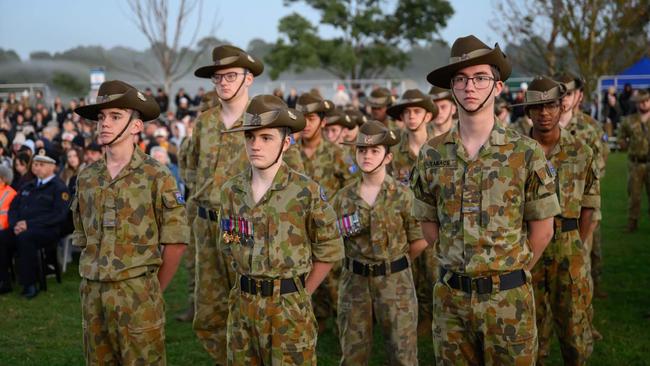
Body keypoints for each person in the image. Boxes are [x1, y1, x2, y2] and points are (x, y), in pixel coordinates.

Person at [411, 35, 560, 365]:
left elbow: (543, 231)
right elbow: (428, 223)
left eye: (480, 78)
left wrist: (504, 275)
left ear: (497, 86)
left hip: (507, 301)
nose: (470, 87)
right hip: (451, 302)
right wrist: (459, 264)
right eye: (461, 79)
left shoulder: (525, 152)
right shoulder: (432, 153)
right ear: (451, 87)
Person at [219, 94, 344, 365]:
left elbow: (330, 249)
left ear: (286, 143)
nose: (255, 145)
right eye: (250, 137)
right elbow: (229, 241)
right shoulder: (231, 191)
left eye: (266, 138)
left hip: (288, 307)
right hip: (243, 305)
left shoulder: (305, 191)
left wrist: (302, 292)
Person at [72, 80, 189, 365]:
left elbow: (175, 241)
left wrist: (153, 291)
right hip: (94, 297)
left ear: (136, 126)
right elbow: (82, 237)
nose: (104, 124)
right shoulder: (87, 178)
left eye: (115, 116)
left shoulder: (156, 175)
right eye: (101, 117)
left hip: (138, 296)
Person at [514, 76, 600, 365]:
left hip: (568, 246)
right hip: (528, 245)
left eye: (550, 105)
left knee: (574, 328)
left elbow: (589, 208)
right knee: (529, 328)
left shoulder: (582, 151)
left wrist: (577, 244)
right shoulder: (514, 154)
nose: (544, 113)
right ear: (528, 111)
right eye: (537, 107)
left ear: (561, 107)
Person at [188, 45, 263, 365]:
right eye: (218, 77)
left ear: (248, 79)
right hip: (206, 225)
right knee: (207, 315)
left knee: (251, 306)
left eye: (231, 76)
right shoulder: (203, 122)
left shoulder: (263, 123)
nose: (223, 83)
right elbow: (191, 167)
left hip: (243, 226)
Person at [332, 120, 426, 365]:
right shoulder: (342, 199)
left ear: (387, 157)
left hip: (395, 282)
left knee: (402, 353)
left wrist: (395, 264)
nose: (367, 156)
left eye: (375, 151)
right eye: (362, 150)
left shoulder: (404, 196)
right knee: (353, 354)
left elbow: (419, 240)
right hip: (355, 283)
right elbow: (331, 241)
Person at [296, 91, 354, 333]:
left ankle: (347, 331)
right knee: (303, 282)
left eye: (312, 118)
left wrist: (345, 226)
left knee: (335, 283)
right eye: (302, 118)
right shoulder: (288, 153)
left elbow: (353, 190)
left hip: (329, 230)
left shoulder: (336, 153)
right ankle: (314, 323)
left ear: (323, 121)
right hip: (297, 231)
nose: (307, 124)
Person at [7, 149, 70, 299]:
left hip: (47, 230)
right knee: (3, 237)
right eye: (35, 164)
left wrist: (28, 224)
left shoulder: (59, 187)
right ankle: (4, 281)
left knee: (26, 238)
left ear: (52, 167)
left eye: (41, 164)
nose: (36, 167)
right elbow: (13, 207)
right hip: (23, 227)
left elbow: (58, 215)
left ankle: (30, 284)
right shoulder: (28, 185)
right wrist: (15, 224)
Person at [617, 89, 650, 232]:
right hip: (636, 163)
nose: (644, 104)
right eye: (641, 102)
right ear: (636, 104)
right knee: (634, 196)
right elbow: (620, 137)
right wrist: (623, 143)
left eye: (646, 101)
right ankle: (632, 224)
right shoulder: (629, 120)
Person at [0, 165, 17, 294]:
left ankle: (4, 281)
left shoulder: (11, 193)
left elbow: (9, 218)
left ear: (3, 178)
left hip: (6, 232)